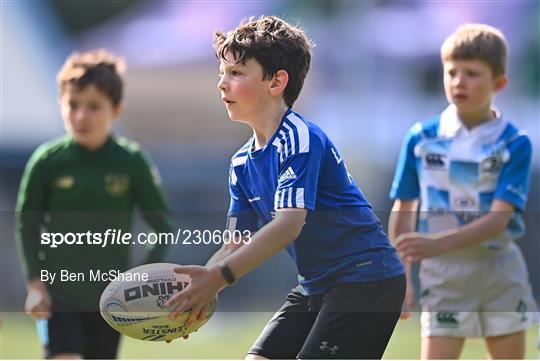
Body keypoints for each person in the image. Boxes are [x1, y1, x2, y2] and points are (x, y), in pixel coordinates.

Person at [165, 16, 405, 359]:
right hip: (315, 286)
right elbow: (236, 243)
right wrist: (199, 290)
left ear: (276, 81)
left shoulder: (299, 137)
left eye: (235, 73)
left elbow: (288, 226)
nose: (222, 84)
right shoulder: (240, 164)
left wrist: (217, 278)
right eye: (221, 73)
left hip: (365, 280)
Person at [388, 23, 538, 359]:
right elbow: (405, 207)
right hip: (442, 274)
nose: (459, 81)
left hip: (498, 268)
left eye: (472, 73)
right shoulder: (421, 138)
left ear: (499, 83)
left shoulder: (514, 143)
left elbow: (498, 220)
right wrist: (401, 276)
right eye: (452, 71)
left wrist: (434, 244)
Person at [15, 49, 173, 359]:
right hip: (59, 297)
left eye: (93, 107)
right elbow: (26, 225)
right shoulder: (47, 162)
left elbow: (162, 226)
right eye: (72, 105)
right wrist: (35, 283)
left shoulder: (131, 162)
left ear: (116, 109)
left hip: (111, 302)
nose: (81, 116)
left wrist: (141, 284)